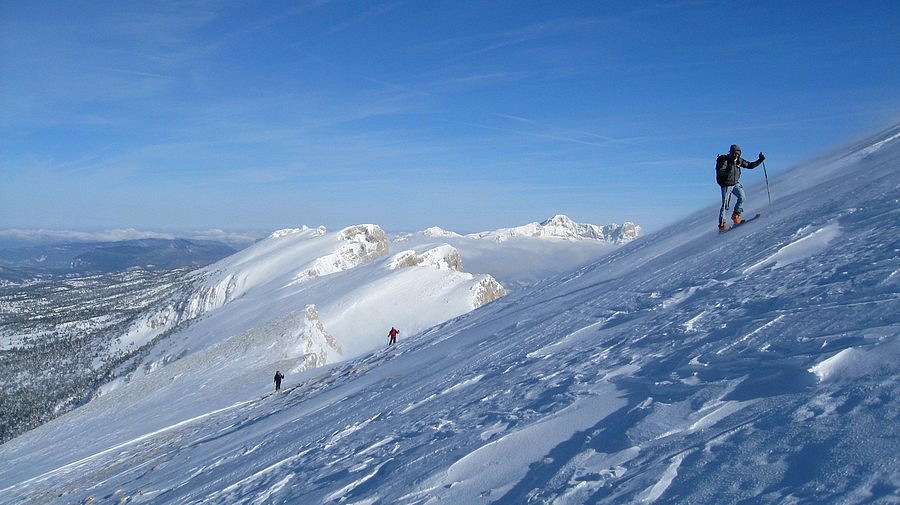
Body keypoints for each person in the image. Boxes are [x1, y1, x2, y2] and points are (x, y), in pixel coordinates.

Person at [716, 144, 765, 231]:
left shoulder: (738, 161)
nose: (736, 155)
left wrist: (760, 160)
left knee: (742, 197)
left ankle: (736, 216)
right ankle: (722, 225)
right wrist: (728, 169)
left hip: (735, 183)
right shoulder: (724, 160)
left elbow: (749, 165)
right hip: (726, 184)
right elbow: (720, 172)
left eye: (738, 154)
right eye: (735, 153)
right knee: (725, 205)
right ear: (731, 153)